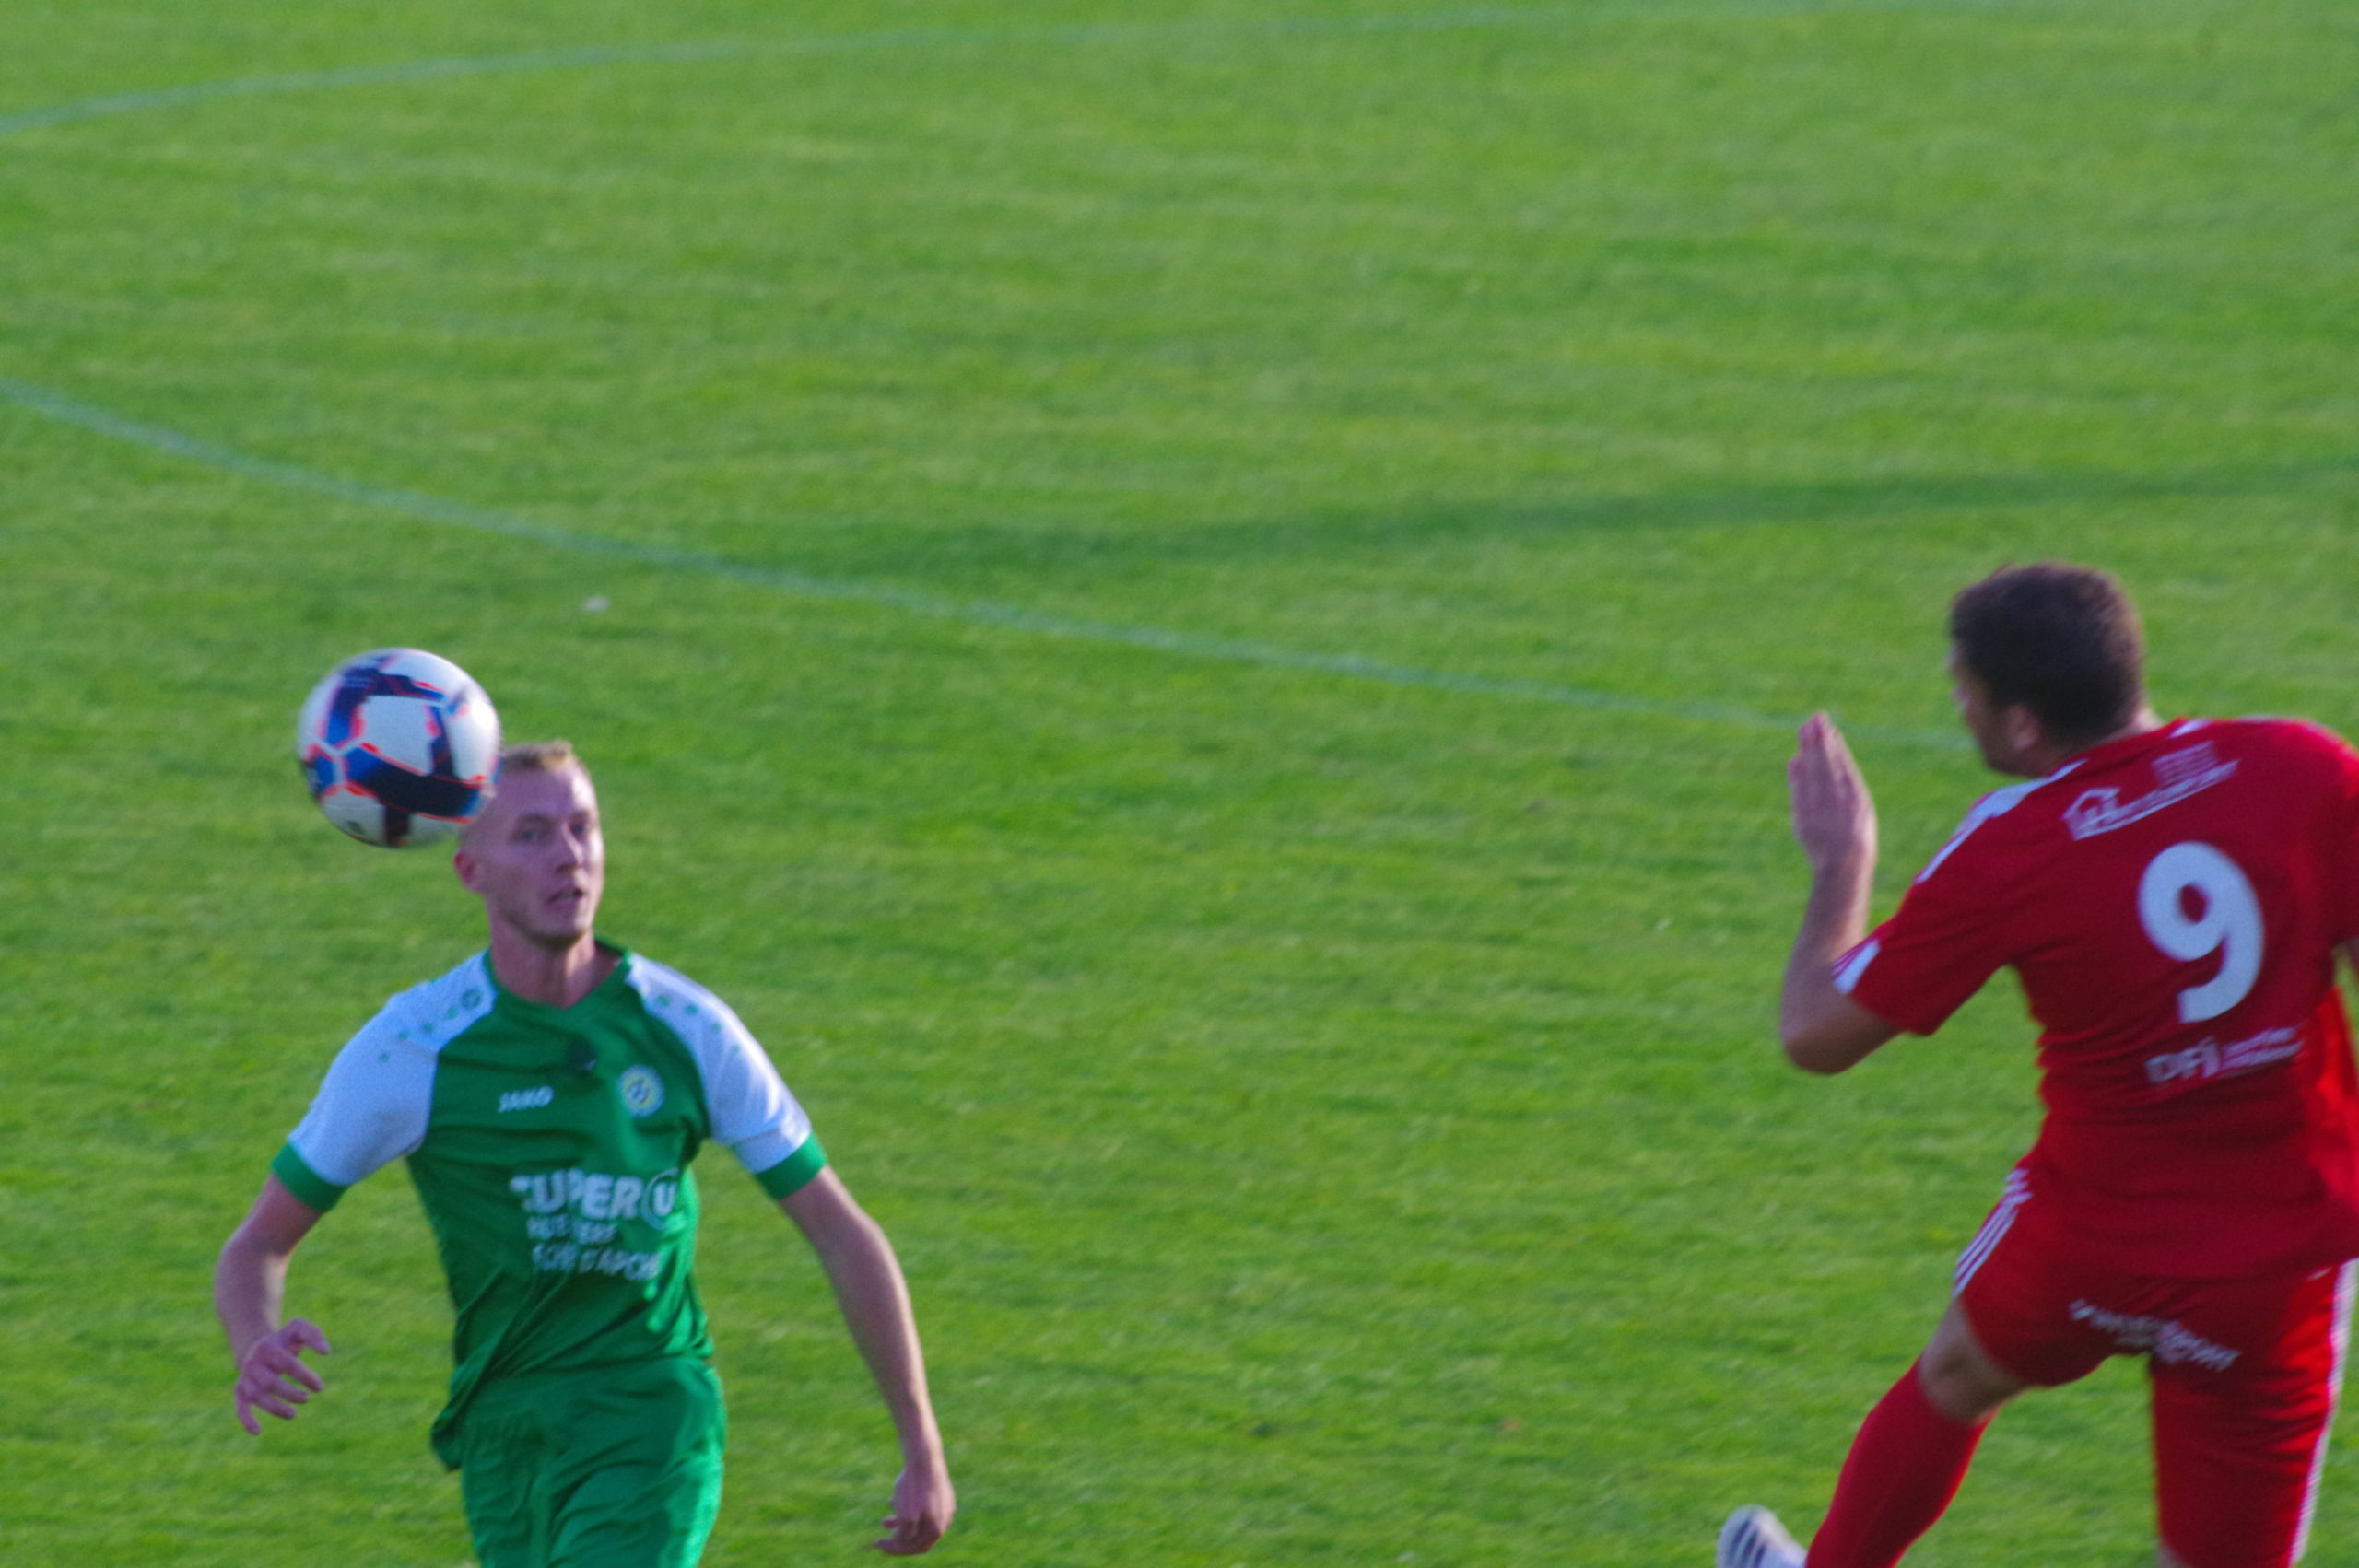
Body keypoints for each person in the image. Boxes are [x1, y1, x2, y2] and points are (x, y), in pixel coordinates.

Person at [1719, 564, 2359, 1568]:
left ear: (2021, 724)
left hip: (2087, 1241)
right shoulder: (2301, 767)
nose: (1956, 703)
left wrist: (1842, 866)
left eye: (1963, 688)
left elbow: (1815, 1032)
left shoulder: (2013, 845)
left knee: (1958, 1376)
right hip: (2276, 1262)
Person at [215, 740, 955, 1566]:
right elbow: (258, 1243)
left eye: (583, 827)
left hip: (650, 1413)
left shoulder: (686, 1029)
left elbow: (840, 1230)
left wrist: (921, 1445)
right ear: (469, 870)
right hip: (506, 1428)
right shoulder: (414, 1048)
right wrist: (255, 1341)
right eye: (532, 835)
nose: (569, 855)